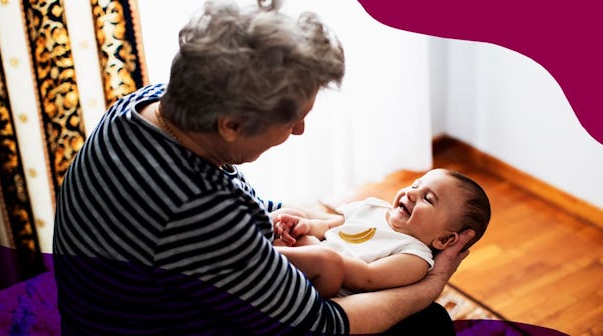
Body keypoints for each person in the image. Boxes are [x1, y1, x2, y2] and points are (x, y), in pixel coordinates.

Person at [53, 0, 475, 334]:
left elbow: (236, 206)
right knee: (426, 323)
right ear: (232, 125)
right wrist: (432, 284)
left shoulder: (147, 105)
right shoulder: (195, 210)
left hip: (114, 307)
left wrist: (297, 222)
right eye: (291, 120)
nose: (300, 130)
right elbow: (324, 325)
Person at [272, 168, 491, 298]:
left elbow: (367, 278)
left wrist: (319, 251)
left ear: (444, 239)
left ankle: (270, 256)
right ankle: (275, 252)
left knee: (325, 259)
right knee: (290, 212)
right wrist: (307, 226)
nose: (412, 194)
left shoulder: (414, 256)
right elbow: (333, 225)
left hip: (330, 284)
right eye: (416, 185)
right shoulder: (376, 207)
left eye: (428, 199)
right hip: (317, 252)